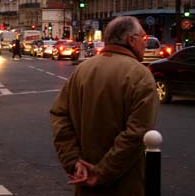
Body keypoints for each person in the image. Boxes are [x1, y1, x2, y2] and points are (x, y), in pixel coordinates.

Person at [50, 16, 159, 196]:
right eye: (144, 38)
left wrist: (74, 162)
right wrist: (101, 172)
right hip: (123, 184)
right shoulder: (140, 75)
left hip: (83, 181)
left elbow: (59, 115)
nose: (145, 44)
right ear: (131, 40)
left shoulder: (82, 70)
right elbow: (137, 133)